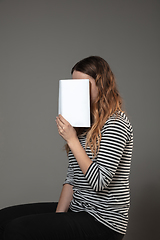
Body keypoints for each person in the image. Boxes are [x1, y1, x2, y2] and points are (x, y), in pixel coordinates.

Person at [0, 56, 133, 240]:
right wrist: (56, 220)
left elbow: (100, 182)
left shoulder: (116, 123)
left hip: (103, 221)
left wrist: (72, 140)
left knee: (18, 228)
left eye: (83, 86)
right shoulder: (82, 124)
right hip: (78, 209)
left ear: (101, 86)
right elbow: (72, 178)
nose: (77, 92)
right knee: (4, 219)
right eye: (74, 85)